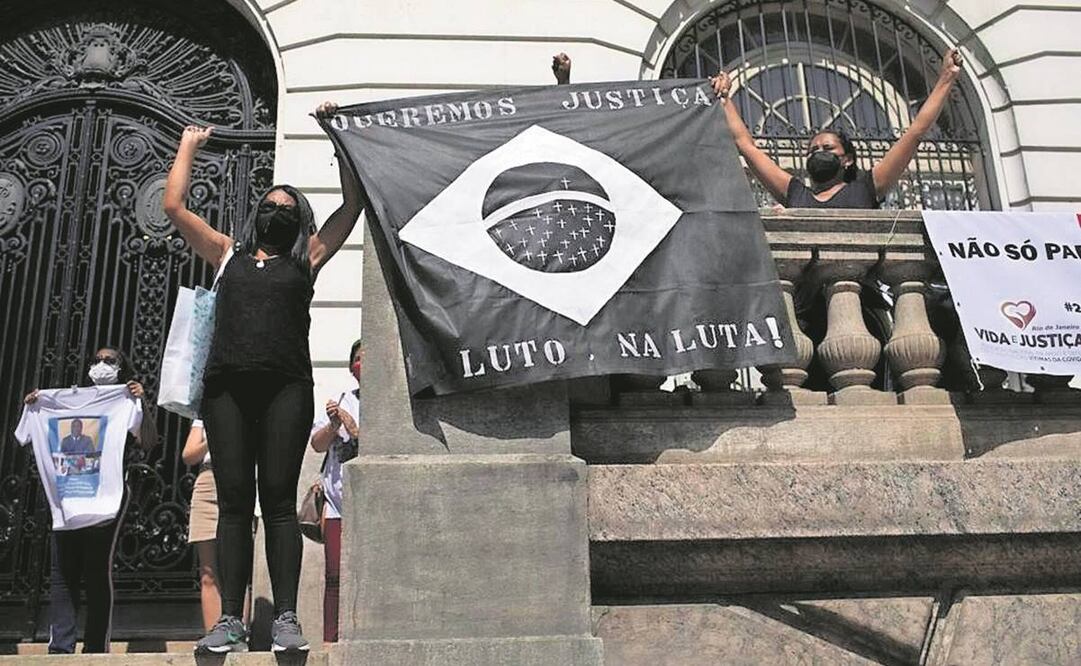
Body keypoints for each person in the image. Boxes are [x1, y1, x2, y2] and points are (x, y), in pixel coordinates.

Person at [163, 101, 365, 654]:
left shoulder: (306, 259)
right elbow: (173, 206)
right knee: (233, 503)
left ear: (300, 222)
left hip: (286, 391)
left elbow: (352, 205)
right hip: (226, 391)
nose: (277, 213)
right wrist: (188, 146)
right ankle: (229, 619)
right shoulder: (226, 254)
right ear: (257, 214)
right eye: (270, 206)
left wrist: (335, 134)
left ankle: (286, 620)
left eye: (288, 209)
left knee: (277, 502)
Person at [21, 346, 157, 654]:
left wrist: (142, 402)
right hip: (68, 496)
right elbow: (28, 438)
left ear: (122, 368)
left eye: (110, 360)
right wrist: (36, 407)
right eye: (96, 360)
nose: (101, 364)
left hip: (106, 496)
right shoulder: (63, 401)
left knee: (96, 569)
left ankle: (95, 648)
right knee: (62, 571)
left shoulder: (126, 400)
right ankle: (61, 648)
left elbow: (149, 441)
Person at [711, 48, 964, 208]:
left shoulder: (866, 188)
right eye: (813, 150)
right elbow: (746, 145)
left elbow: (915, 132)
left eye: (828, 148)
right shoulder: (795, 194)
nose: (819, 152)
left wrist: (946, 78)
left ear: (847, 159)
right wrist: (724, 98)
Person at [307, 339, 362, 643]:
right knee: (334, 575)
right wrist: (332, 425)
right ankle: (331, 640)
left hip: (369, 505)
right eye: (358, 358)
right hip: (337, 504)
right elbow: (317, 445)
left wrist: (353, 428)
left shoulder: (388, 404)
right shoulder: (343, 399)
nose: (362, 363)